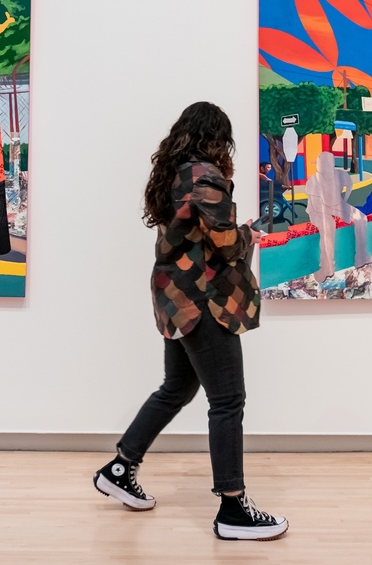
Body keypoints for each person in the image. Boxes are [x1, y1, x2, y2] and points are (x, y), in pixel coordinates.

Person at [94, 101, 287, 542]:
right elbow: (223, 241)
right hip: (204, 300)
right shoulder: (205, 177)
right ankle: (233, 508)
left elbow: (198, 235)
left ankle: (121, 468)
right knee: (227, 400)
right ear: (216, 138)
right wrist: (249, 235)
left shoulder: (174, 174)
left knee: (177, 387)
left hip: (173, 296)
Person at [304, 150, 365, 278]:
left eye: (322, 163)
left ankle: (361, 256)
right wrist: (339, 209)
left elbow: (349, 186)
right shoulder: (313, 180)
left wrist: (344, 202)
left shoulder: (340, 174)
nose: (319, 166)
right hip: (317, 210)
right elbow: (316, 205)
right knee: (328, 225)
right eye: (319, 163)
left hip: (335, 205)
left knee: (361, 217)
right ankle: (327, 266)